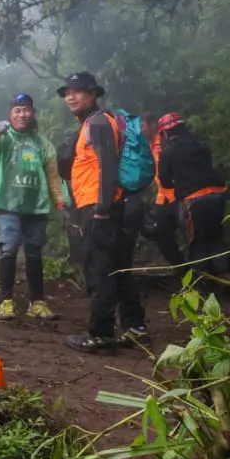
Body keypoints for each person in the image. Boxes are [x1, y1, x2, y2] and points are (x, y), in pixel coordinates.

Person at [59, 71, 147, 353]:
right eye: (67, 92)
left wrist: (101, 209)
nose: (70, 96)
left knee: (99, 270)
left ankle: (101, 334)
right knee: (119, 267)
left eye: (78, 91)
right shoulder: (93, 123)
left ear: (93, 94)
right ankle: (135, 326)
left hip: (100, 207)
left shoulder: (97, 123)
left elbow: (107, 165)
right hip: (106, 206)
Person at [0, 93, 67, 320]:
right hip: (7, 203)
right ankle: (6, 302)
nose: (22, 114)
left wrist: (60, 200)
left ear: (33, 113)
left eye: (26, 109)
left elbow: (53, 176)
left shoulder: (42, 143)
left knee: (34, 253)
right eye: (17, 110)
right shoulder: (4, 138)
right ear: (10, 114)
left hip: (36, 206)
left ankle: (37, 303)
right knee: (8, 249)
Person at [156, 113, 230, 276]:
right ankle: (226, 282)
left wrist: (179, 187)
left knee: (198, 245)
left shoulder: (168, 151)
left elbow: (165, 180)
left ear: (165, 133)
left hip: (194, 200)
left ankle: (203, 287)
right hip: (217, 196)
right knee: (216, 240)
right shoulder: (200, 143)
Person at [140, 113, 185, 268]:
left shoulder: (166, 142)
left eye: (143, 126)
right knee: (159, 234)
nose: (141, 130)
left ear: (153, 125)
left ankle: (200, 275)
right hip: (163, 198)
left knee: (189, 235)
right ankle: (182, 271)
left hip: (179, 196)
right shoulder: (150, 146)